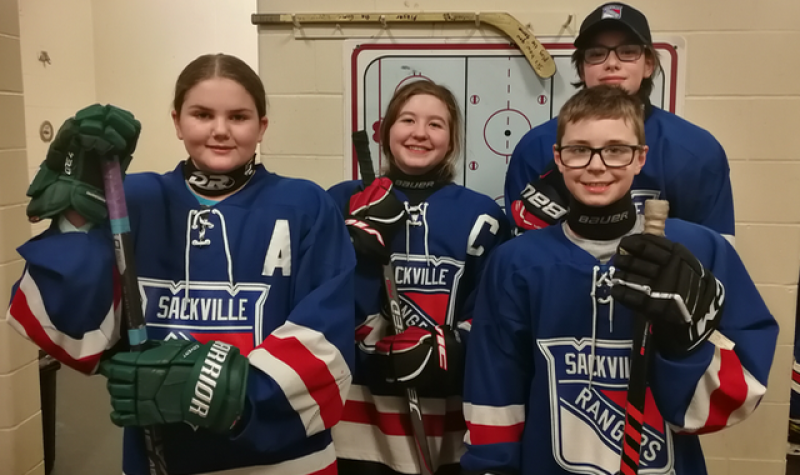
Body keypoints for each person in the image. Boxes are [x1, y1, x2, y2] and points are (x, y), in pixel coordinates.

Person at [6, 53, 356, 475]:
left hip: (285, 462)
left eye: (239, 116)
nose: (220, 130)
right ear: (177, 121)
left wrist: (220, 391)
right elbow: (71, 333)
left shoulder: (305, 204)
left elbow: (329, 343)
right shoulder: (132, 200)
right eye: (203, 114)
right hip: (162, 458)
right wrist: (77, 221)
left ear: (262, 126)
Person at [462, 85, 777, 475]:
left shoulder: (700, 249)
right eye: (579, 149)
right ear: (558, 159)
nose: (597, 165)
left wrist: (687, 343)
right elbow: (495, 385)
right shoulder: (515, 262)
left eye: (616, 149)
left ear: (640, 158)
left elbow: (732, 400)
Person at [328, 80, 510, 475]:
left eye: (436, 124)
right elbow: (316, 298)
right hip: (359, 409)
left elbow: (495, 308)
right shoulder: (341, 202)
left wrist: (455, 346)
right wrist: (351, 249)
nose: (419, 133)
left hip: (445, 406)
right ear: (386, 130)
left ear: (452, 141)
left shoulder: (482, 216)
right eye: (407, 119)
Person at [505, 2, 735, 244]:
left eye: (627, 52)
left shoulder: (696, 149)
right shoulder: (536, 147)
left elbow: (717, 255)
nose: (611, 63)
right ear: (582, 69)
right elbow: (516, 253)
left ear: (648, 64)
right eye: (596, 53)